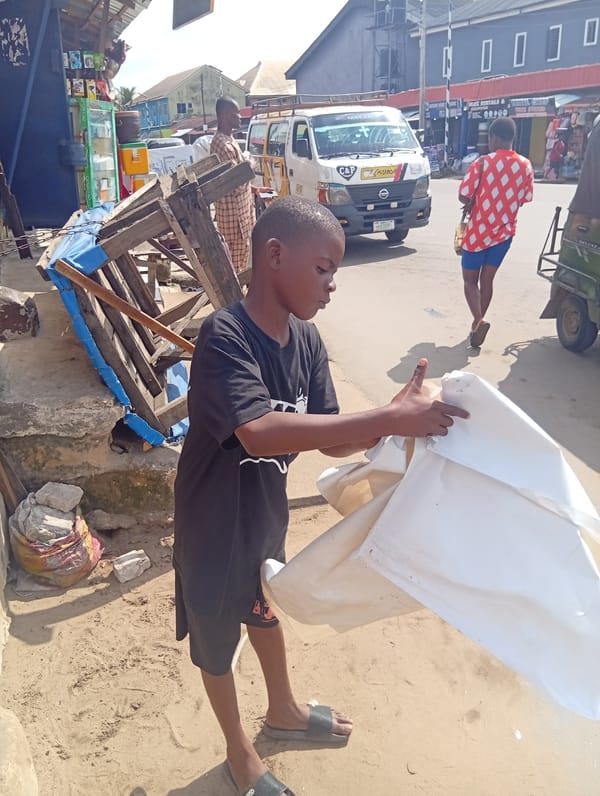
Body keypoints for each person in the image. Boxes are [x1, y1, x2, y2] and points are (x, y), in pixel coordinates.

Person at [173, 195, 469, 796]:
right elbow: (258, 432)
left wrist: (390, 424)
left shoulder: (306, 342)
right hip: (211, 525)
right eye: (324, 268)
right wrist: (385, 417)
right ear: (274, 256)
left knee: (265, 603)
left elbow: (331, 437)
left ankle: (282, 707)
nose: (333, 284)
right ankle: (238, 753)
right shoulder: (224, 336)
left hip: (263, 514)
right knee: (216, 641)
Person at [458, 117, 534, 348]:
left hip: (478, 233)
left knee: (470, 281)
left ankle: (478, 321)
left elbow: (463, 194)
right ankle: (476, 328)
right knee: (487, 280)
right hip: (504, 234)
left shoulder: (483, 163)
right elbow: (525, 198)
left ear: (494, 138)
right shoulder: (526, 165)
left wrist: (477, 201)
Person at [210, 96, 255, 274]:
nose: (240, 117)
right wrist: (250, 164)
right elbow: (237, 181)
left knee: (243, 262)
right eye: (236, 113)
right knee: (236, 270)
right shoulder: (222, 144)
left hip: (242, 217)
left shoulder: (230, 139)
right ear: (224, 116)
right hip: (234, 221)